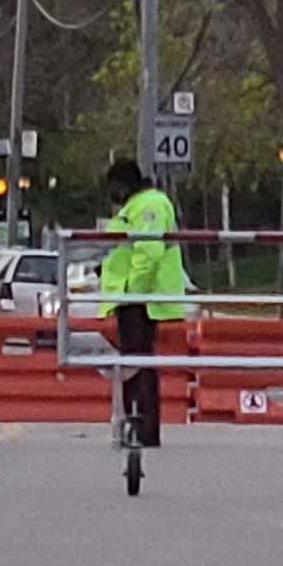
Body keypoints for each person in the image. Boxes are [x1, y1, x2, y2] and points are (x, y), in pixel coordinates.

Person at [100, 157, 183, 448]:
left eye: (113, 186)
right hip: (134, 296)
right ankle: (137, 422)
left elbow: (147, 252)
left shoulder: (148, 206)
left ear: (122, 185)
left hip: (141, 298)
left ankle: (143, 426)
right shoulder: (136, 207)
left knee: (139, 362)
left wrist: (132, 291)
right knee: (135, 361)